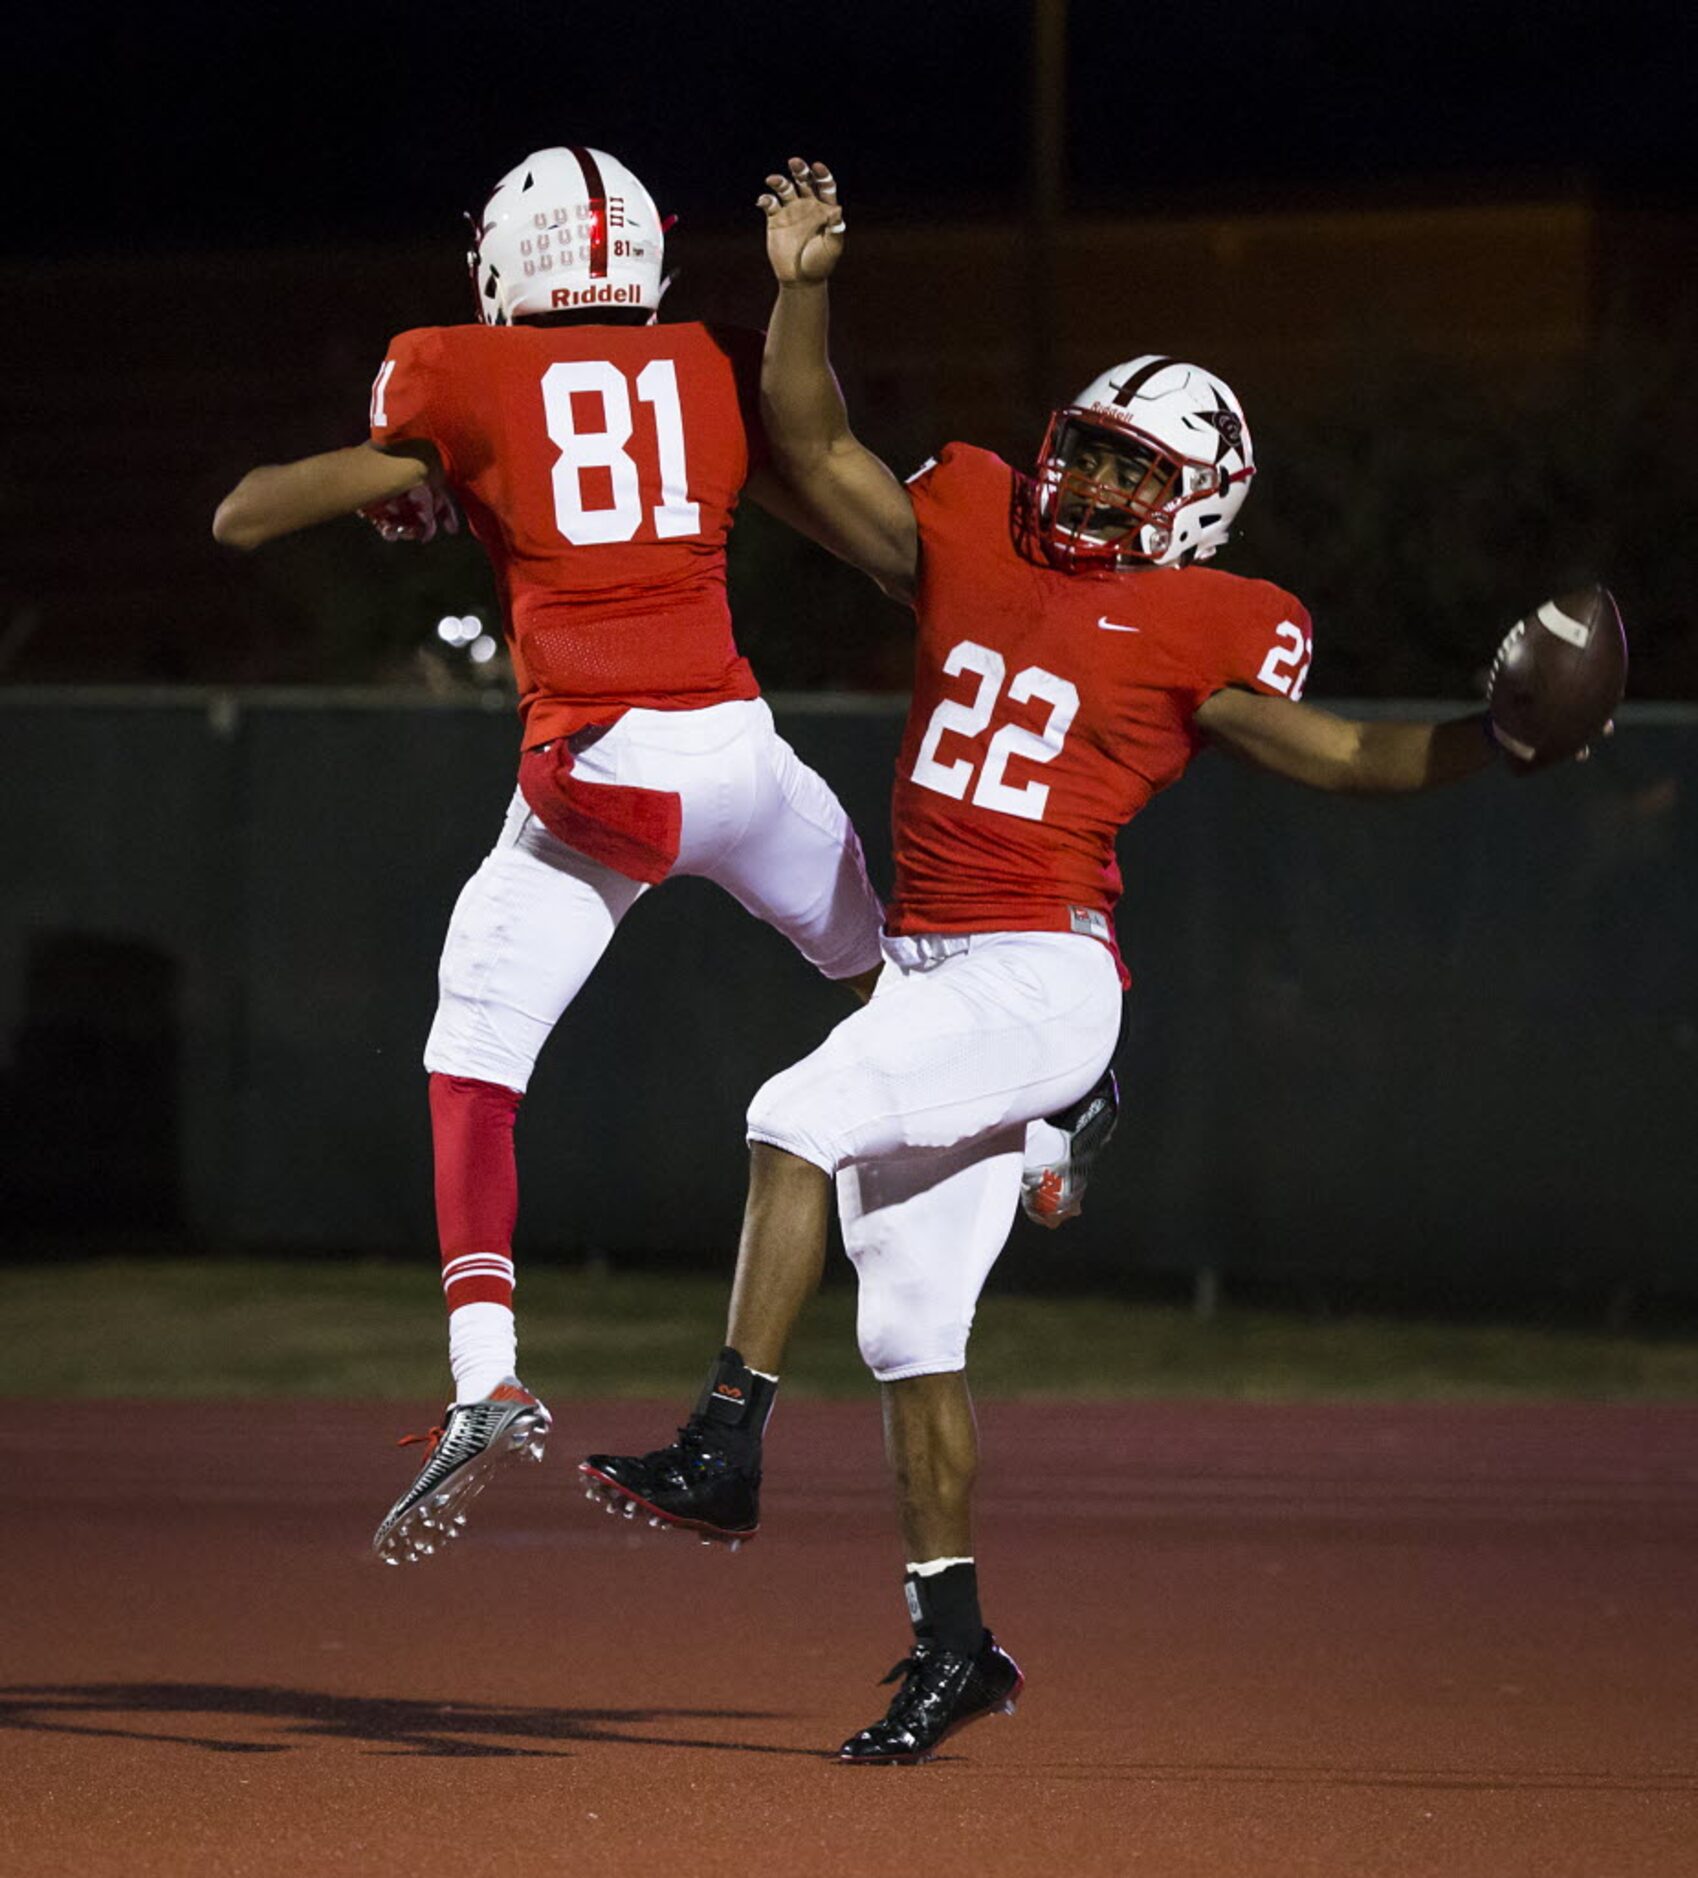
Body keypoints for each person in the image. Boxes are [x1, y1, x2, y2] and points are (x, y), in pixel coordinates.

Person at [577, 159, 1603, 1764]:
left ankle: (725, 1437)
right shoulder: (977, 535)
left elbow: (1337, 755)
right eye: (1094, 458)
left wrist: (1489, 743)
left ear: (1195, 504)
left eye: (1135, 477)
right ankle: (955, 1643)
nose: (1098, 492)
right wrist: (801, 286)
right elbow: (810, 442)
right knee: (910, 1331)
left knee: (793, 1111)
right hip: (930, 971)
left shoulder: (1208, 622)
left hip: (1039, 975)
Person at [212, 147, 1113, 1570]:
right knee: (894, 968)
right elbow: (803, 492)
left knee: (475, 1050)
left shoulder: (447, 369)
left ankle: (484, 1372)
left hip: (604, 776)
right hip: (742, 760)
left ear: (505, 263)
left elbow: (246, 513)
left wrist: (424, 479)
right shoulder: (705, 362)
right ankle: (1052, 1122)